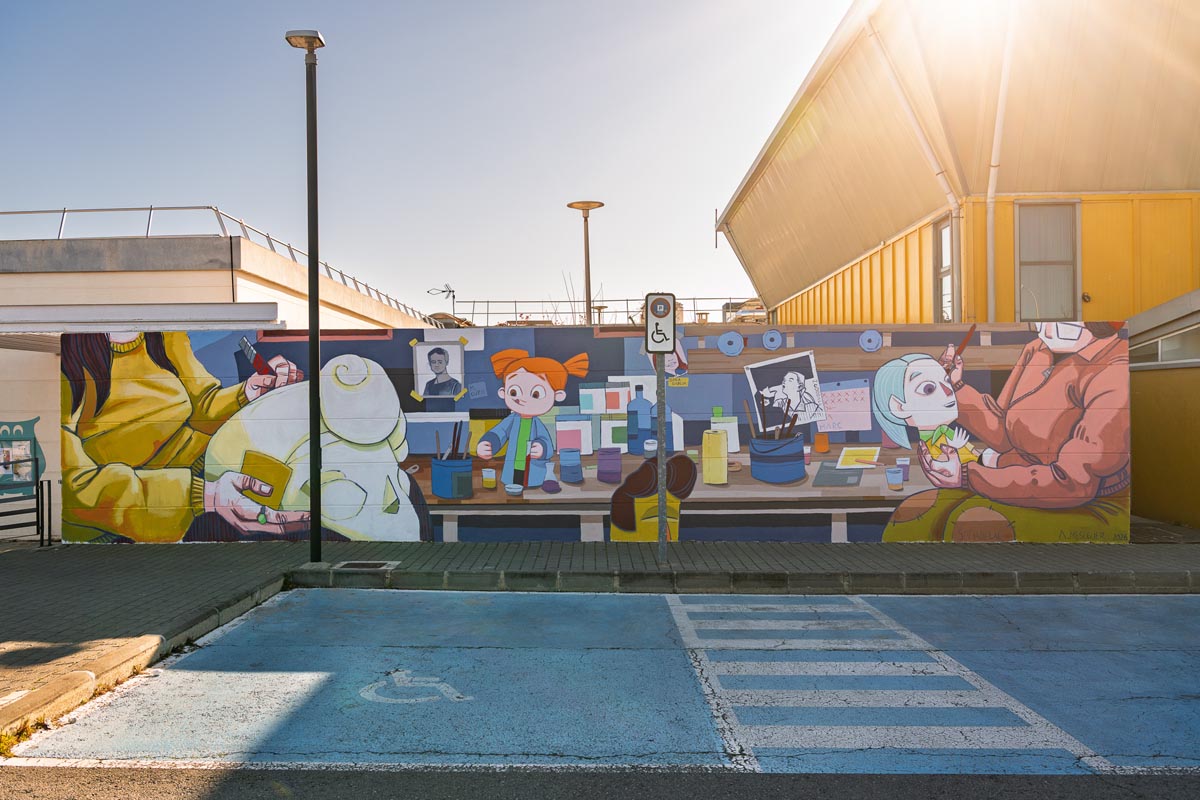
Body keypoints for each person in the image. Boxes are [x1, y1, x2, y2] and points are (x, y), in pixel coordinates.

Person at [883, 321, 1130, 543]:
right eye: (1040, 322)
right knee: (914, 516)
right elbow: (1004, 433)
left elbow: (1073, 483)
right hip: (1020, 477)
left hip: (1089, 500)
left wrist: (969, 476)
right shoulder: (1038, 349)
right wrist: (956, 384)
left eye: (1061, 323)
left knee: (968, 525)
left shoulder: (1114, 372)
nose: (1043, 330)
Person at [60, 332, 306, 543]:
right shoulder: (70, 359)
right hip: (151, 516)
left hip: (208, 474)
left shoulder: (165, 332)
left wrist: (248, 391)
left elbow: (203, 406)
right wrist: (205, 497)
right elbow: (77, 486)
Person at [476, 348, 589, 489]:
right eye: (514, 391)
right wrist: (488, 444)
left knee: (530, 489)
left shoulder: (537, 424)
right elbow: (499, 433)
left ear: (557, 395)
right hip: (512, 471)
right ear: (503, 392)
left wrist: (541, 448)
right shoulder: (512, 420)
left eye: (536, 394)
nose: (522, 399)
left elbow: (547, 443)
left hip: (534, 474)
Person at [870, 354, 979, 462]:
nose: (948, 391)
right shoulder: (927, 446)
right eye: (928, 389)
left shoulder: (947, 432)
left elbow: (978, 458)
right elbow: (946, 468)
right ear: (899, 408)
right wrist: (955, 449)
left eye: (947, 381)